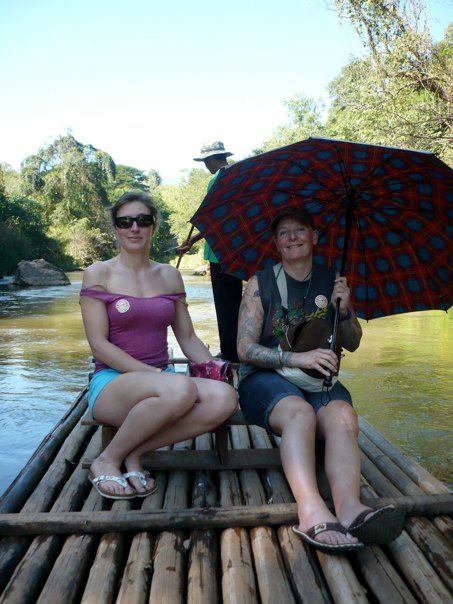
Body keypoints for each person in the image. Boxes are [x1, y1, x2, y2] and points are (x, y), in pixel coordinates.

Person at [237, 208, 403, 551]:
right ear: (276, 243)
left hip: (319, 380)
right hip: (265, 377)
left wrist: (344, 310)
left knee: (343, 416)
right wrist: (296, 357)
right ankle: (311, 511)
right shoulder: (260, 283)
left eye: (300, 230)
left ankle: (350, 508)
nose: (292, 237)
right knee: (300, 413)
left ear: (315, 238)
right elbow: (244, 349)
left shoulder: (335, 280)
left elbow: (353, 342)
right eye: (284, 233)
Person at [80, 191, 238, 499]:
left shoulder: (169, 275)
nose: (134, 228)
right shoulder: (98, 273)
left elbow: (188, 338)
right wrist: (155, 375)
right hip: (113, 382)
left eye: (143, 220)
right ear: (115, 228)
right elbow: (99, 345)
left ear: (154, 225)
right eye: (125, 222)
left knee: (225, 398)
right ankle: (106, 460)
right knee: (178, 388)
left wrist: (214, 369)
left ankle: (132, 451)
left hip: (161, 383)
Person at [177, 141, 242, 362]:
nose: (205, 165)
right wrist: (193, 240)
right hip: (235, 251)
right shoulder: (237, 176)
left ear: (212, 159)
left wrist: (192, 241)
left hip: (219, 254)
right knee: (236, 303)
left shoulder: (218, 179)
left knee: (225, 306)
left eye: (206, 161)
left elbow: (211, 218)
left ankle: (230, 352)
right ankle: (237, 349)